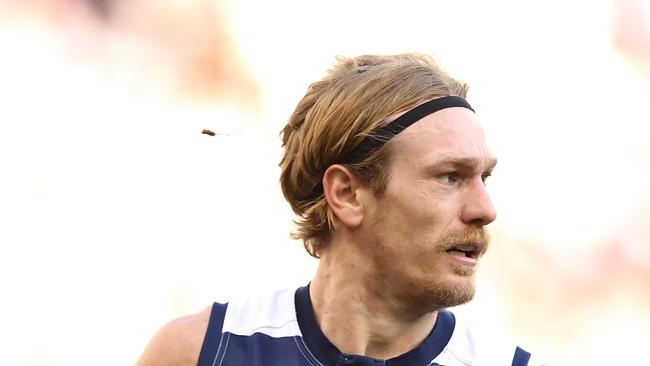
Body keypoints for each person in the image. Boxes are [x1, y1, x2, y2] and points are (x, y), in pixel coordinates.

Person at [135, 53, 542, 366]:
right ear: (347, 193)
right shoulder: (202, 352)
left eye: (483, 178)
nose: (485, 209)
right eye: (450, 176)